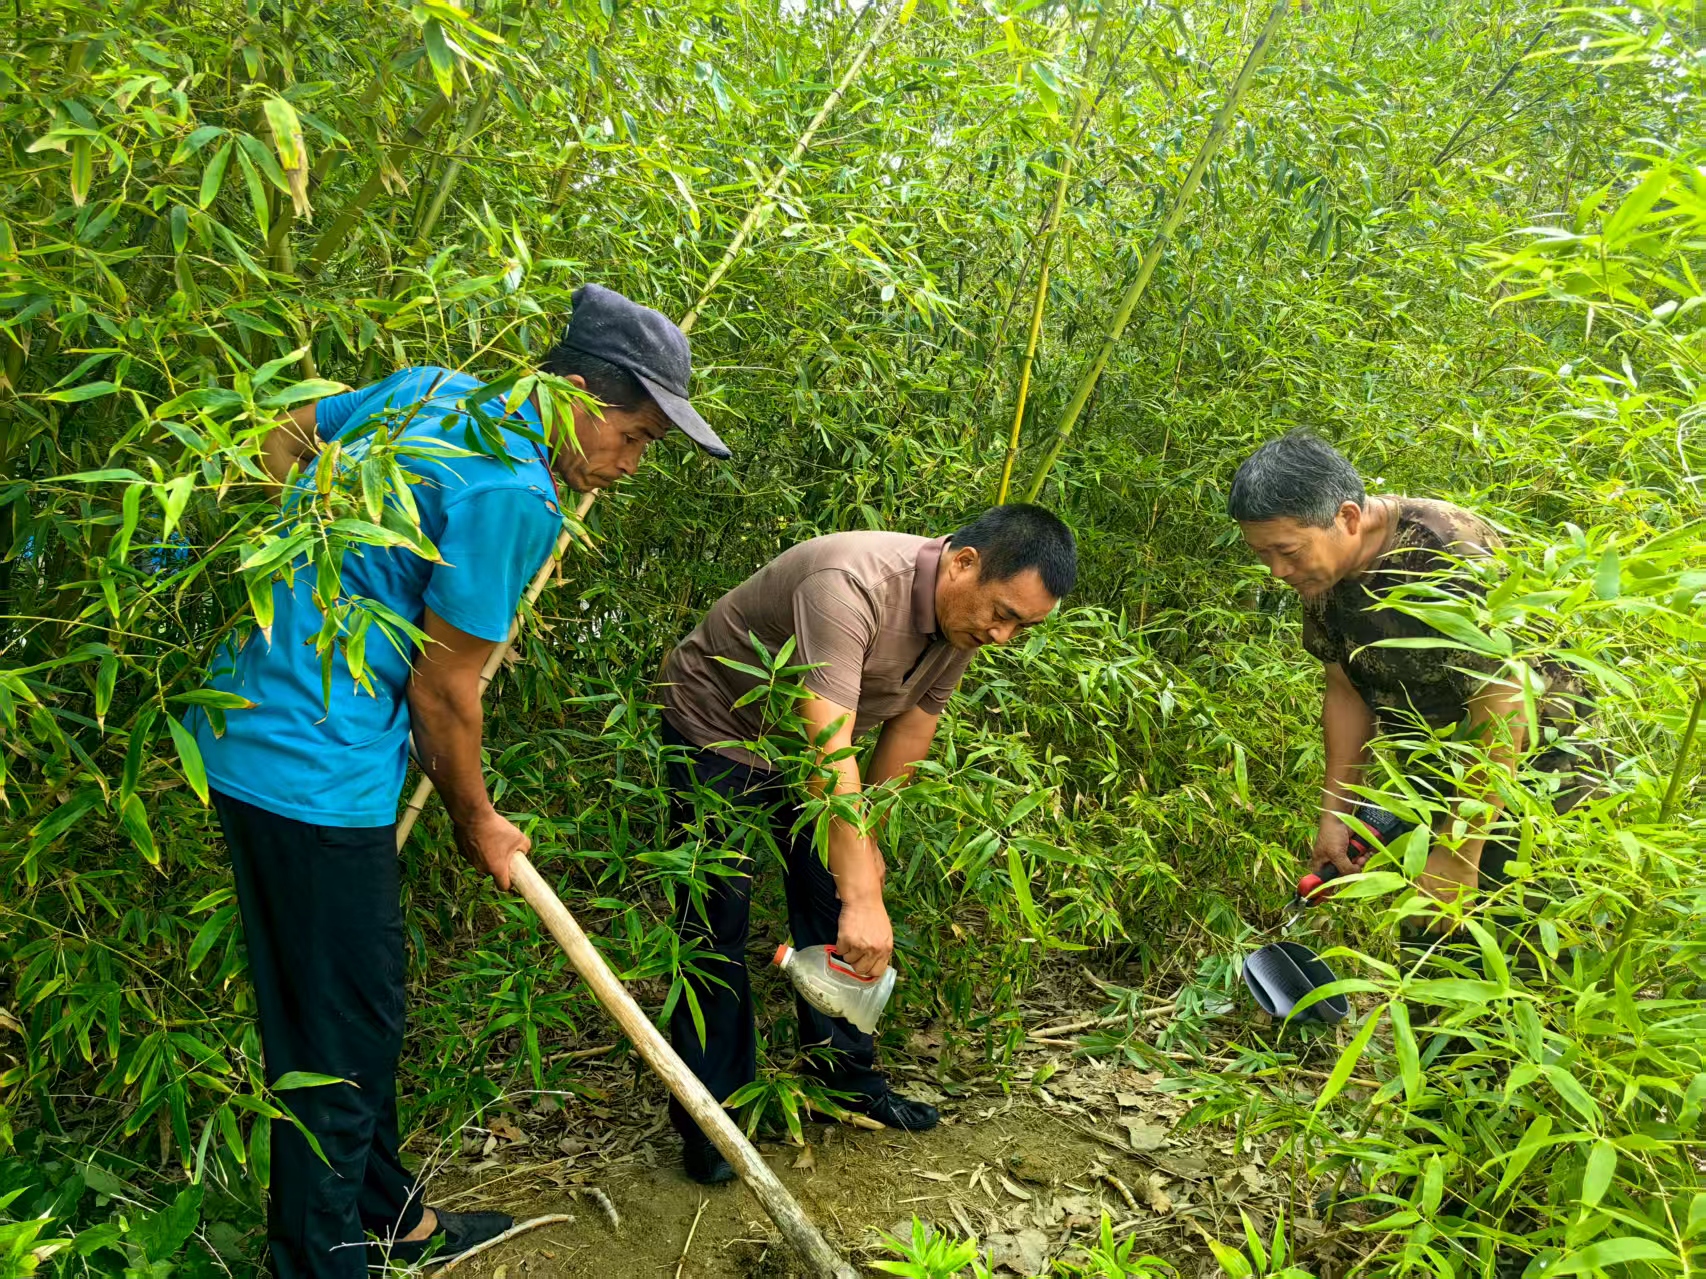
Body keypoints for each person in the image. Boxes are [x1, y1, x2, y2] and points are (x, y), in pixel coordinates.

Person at [186, 285, 730, 1277]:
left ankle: (393, 1224)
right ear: (576, 394)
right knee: (342, 1040)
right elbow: (445, 692)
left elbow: (283, 436)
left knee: (341, 1010)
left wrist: (293, 583)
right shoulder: (513, 491)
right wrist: (478, 821)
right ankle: (318, 1262)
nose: (630, 464)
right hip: (317, 770)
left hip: (239, 721)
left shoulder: (434, 389)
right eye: (633, 437)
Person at [656, 504, 1078, 1184]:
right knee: (716, 922)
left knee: (835, 899)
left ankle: (844, 1084)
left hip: (811, 748)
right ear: (963, 562)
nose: (1002, 637)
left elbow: (911, 727)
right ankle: (716, 1119)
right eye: (1003, 615)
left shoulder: (962, 618)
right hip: (718, 728)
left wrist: (866, 852)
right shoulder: (849, 582)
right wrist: (863, 895)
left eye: (1022, 627)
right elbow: (827, 748)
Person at [1227, 430, 1598, 914]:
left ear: (1348, 517)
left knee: (1527, 937)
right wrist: (1337, 815)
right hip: (1436, 780)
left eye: (1288, 551)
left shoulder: (1445, 551)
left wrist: (1459, 850)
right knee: (1430, 934)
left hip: (1540, 779)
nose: (1277, 571)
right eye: (1263, 554)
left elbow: (1503, 703)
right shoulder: (1322, 573)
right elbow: (1345, 690)